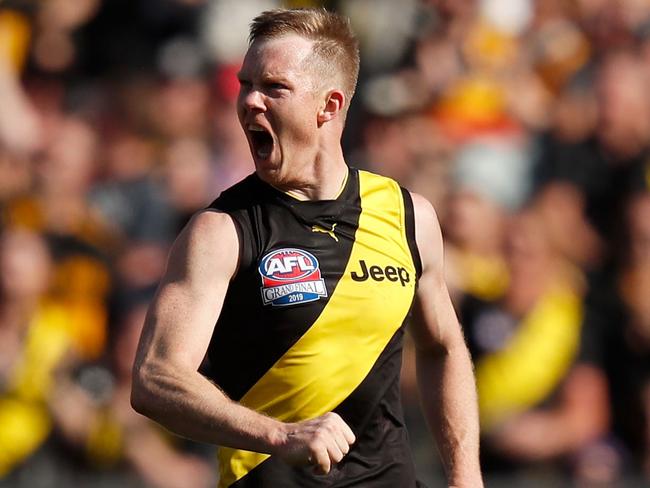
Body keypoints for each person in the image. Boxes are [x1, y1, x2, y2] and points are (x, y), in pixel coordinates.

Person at [131, 8, 482, 488]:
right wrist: (278, 436)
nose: (250, 101)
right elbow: (155, 378)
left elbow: (442, 347)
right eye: (245, 84)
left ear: (329, 106)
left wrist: (466, 477)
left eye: (273, 87)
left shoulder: (408, 216)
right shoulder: (221, 230)